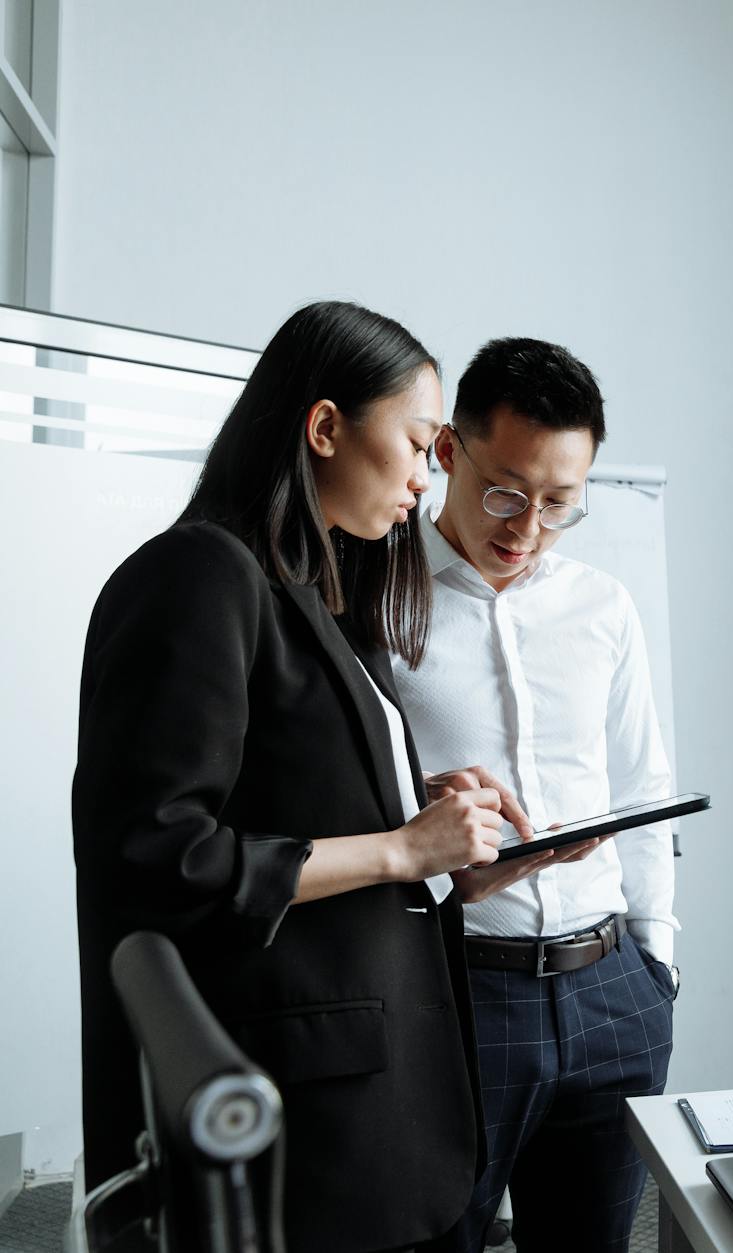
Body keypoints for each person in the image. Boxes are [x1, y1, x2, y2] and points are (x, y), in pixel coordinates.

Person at [73, 301, 541, 1252]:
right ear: (324, 427)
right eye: (416, 444)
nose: (424, 477)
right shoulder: (201, 575)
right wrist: (403, 845)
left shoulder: (314, 595)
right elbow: (157, 858)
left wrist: (440, 849)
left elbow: (306, 821)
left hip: (379, 1099)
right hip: (298, 1120)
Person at [392, 338, 678, 1252]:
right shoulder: (373, 604)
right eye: (506, 492)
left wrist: (659, 963)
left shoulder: (604, 604)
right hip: (459, 993)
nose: (527, 526)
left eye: (559, 503)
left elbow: (643, 784)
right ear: (446, 452)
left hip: (614, 992)